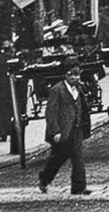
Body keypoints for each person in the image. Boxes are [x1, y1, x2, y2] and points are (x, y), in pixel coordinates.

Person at [38, 58, 92, 196]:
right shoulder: (57, 90)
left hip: (76, 129)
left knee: (77, 157)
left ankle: (79, 187)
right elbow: (51, 112)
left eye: (77, 74)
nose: (75, 77)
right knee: (58, 158)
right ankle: (45, 178)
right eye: (71, 74)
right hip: (62, 131)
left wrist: (85, 125)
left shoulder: (79, 88)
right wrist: (55, 131)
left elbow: (83, 107)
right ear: (65, 75)